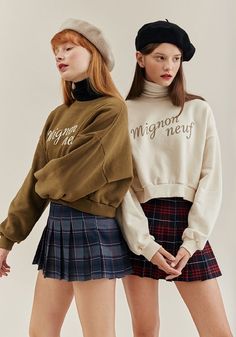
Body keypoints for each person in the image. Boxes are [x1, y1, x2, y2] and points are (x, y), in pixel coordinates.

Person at [0, 18, 133, 337]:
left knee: (98, 333)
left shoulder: (111, 110)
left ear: (94, 54)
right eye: (56, 51)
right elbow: (34, 182)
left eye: (69, 48)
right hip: (57, 227)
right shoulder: (58, 116)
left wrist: (45, 181)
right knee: (40, 332)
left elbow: (71, 177)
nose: (60, 56)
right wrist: (6, 238)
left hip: (93, 230)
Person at [118, 20, 233, 337]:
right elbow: (121, 186)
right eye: (160, 57)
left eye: (176, 58)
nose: (169, 66)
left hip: (187, 220)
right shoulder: (123, 112)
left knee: (218, 331)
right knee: (145, 330)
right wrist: (144, 244)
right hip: (139, 223)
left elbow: (212, 176)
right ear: (140, 58)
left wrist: (194, 238)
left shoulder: (198, 109)